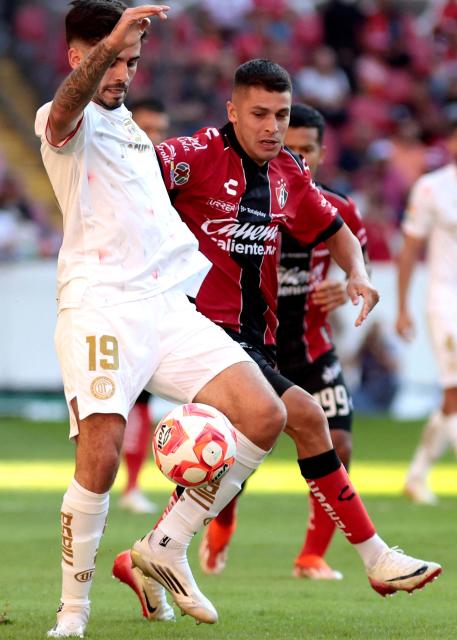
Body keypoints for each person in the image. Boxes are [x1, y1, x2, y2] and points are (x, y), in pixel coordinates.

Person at [112, 58, 440, 625]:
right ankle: (375, 556)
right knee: (304, 419)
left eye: (281, 115)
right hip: (197, 332)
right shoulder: (193, 157)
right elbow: (128, 176)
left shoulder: (289, 172)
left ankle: (151, 554)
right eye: (259, 113)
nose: (271, 126)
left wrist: (356, 273)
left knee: (262, 440)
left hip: (252, 338)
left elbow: (336, 230)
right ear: (232, 111)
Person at [35, 3, 292, 636]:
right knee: (100, 458)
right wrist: (110, 43)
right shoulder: (61, 118)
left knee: (264, 414)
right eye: (113, 60)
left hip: (165, 307)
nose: (123, 73)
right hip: (99, 306)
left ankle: (164, 547)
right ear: (80, 57)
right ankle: (73, 614)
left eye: (131, 61)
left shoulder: (127, 128)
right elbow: (69, 106)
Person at [198, 103, 368, 580]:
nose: (297, 158)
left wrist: (352, 281)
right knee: (240, 452)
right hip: (258, 347)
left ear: (321, 151)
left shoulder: (339, 210)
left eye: (306, 150)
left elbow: (358, 255)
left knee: (338, 441)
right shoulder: (252, 202)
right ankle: (223, 521)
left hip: (313, 347)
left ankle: (312, 555)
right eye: (288, 148)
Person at [396, 117, 457, 505]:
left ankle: (416, 474)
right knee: (454, 391)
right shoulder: (432, 187)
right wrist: (402, 306)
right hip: (446, 298)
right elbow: (409, 250)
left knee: (452, 397)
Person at [119, 97, 170, 515]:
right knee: (111, 403)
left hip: (153, 304)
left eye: (160, 130)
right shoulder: (110, 173)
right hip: (109, 303)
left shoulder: (169, 180)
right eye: (145, 129)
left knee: (140, 400)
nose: (153, 139)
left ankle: (131, 484)